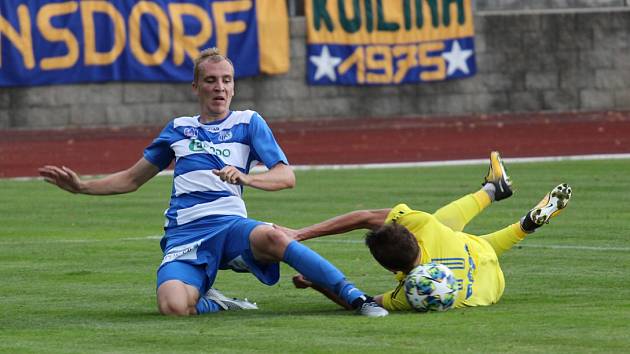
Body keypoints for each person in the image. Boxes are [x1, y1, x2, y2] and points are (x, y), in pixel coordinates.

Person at [38, 48, 388, 317]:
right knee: (173, 307)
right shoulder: (178, 128)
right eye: (211, 80)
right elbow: (131, 179)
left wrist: (247, 178)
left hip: (230, 224)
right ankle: (219, 303)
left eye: (226, 80)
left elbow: (286, 176)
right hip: (185, 234)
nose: (219, 87)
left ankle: (356, 298)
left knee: (274, 235)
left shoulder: (249, 122)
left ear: (233, 86)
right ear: (196, 87)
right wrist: (81, 186)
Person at [282, 151, 572, 311]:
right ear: (409, 234)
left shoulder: (411, 293)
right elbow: (364, 217)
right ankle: (503, 202)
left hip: (489, 289)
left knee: (472, 238)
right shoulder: (424, 225)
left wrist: (316, 282)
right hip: (473, 253)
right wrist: (300, 233)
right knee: (450, 228)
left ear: (387, 266)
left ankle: (504, 202)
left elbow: (363, 302)